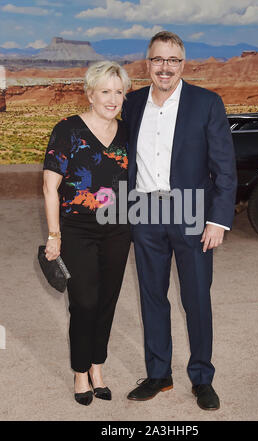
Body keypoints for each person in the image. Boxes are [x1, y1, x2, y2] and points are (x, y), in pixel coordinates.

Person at [122, 31, 237, 410]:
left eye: (172, 60)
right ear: (147, 64)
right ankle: (159, 374)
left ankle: (202, 377)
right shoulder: (134, 102)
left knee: (196, 298)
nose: (165, 67)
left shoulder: (206, 103)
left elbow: (224, 168)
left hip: (190, 210)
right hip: (144, 210)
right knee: (152, 297)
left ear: (183, 64)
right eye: (158, 60)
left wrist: (218, 220)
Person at [43, 61, 131, 406]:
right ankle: (80, 371)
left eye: (119, 92)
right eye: (105, 91)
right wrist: (54, 235)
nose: (112, 99)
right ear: (90, 94)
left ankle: (97, 366)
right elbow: (51, 187)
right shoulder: (67, 130)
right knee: (84, 302)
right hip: (76, 228)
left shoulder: (126, 132)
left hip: (119, 229)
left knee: (107, 300)